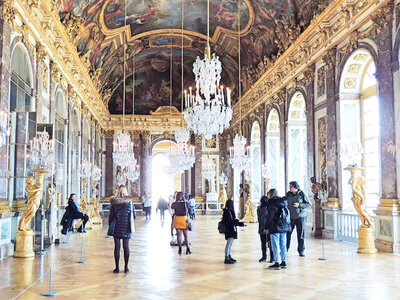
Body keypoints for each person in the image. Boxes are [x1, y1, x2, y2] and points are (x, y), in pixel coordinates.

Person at [108, 185, 136, 274]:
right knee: (126, 247)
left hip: (116, 226)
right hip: (127, 226)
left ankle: (117, 268)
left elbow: (111, 216)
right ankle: (126, 267)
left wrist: (110, 225)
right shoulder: (130, 202)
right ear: (125, 191)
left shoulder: (114, 202)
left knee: (117, 247)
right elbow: (133, 215)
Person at [265, 189, 291, 270]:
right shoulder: (283, 202)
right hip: (284, 225)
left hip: (275, 226)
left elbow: (270, 217)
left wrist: (266, 226)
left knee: (275, 245)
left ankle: (276, 262)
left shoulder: (272, 203)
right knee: (283, 244)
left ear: (270, 194)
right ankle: (283, 261)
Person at [286, 181, 312, 257]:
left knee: (300, 234)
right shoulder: (288, 194)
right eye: (289, 186)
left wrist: (299, 205)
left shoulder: (302, 194)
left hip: (301, 217)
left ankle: (301, 250)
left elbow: (308, 204)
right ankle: (285, 249)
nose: (290, 188)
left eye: (291, 186)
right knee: (288, 233)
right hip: (290, 217)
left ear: (295, 187)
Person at [222, 199, 245, 264]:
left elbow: (233, 221)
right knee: (228, 244)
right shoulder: (227, 212)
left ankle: (229, 255)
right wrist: (236, 221)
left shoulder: (230, 211)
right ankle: (226, 258)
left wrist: (241, 224)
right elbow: (229, 222)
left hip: (231, 229)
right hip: (229, 230)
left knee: (230, 243)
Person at [257, 195, 272, 263]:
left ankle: (268, 257)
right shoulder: (263, 208)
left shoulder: (264, 208)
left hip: (265, 228)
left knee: (267, 243)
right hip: (265, 228)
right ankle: (266, 257)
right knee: (266, 243)